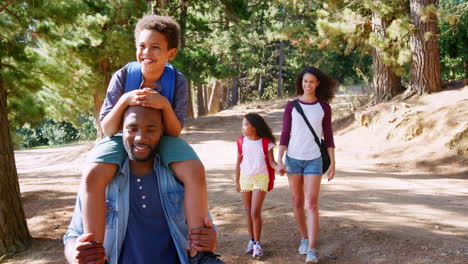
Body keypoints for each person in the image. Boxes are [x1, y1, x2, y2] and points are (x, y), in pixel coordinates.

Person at [80, 15, 218, 263]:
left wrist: (164, 105)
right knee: (93, 174)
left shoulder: (177, 81)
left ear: (171, 53)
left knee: (194, 170)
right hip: (123, 136)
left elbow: (174, 131)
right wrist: (126, 100)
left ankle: (199, 253)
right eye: (142, 46)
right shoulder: (123, 76)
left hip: (161, 138)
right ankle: (93, 250)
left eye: (155, 47)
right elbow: (107, 128)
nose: (147, 52)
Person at [64, 105, 223, 264]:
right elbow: (73, 234)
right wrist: (74, 253)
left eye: (151, 130)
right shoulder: (101, 180)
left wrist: (209, 239)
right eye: (132, 129)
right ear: (121, 130)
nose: (140, 137)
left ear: (162, 131)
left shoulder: (178, 176)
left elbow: (205, 228)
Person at [276, 66, 337, 264]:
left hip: (314, 159)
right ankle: (303, 237)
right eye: (304, 81)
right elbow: (285, 133)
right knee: (296, 201)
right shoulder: (291, 106)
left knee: (311, 203)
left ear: (317, 83)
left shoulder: (324, 107)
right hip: (293, 158)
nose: (307, 85)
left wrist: (333, 161)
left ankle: (311, 248)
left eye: (311, 82)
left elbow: (327, 136)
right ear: (301, 83)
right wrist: (279, 160)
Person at [235, 113, 278, 258]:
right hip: (245, 178)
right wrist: (237, 181)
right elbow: (238, 163)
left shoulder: (266, 142)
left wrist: (278, 167)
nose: (243, 127)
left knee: (255, 211)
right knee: (247, 211)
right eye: (243, 124)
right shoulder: (241, 142)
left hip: (261, 178)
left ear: (255, 126)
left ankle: (258, 244)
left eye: (246, 124)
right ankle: (252, 240)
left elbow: (272, 162)